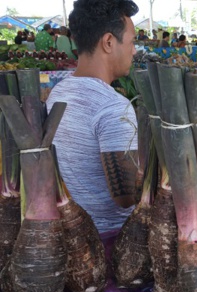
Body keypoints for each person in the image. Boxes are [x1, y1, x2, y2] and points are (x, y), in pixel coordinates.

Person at [45, 0, 139, 233]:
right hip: (111, 236)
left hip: (71, 233)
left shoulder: (59, 91)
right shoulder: (114, 107)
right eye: (132, 41)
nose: (134, 50)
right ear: (108, 42)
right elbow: (126, 198)